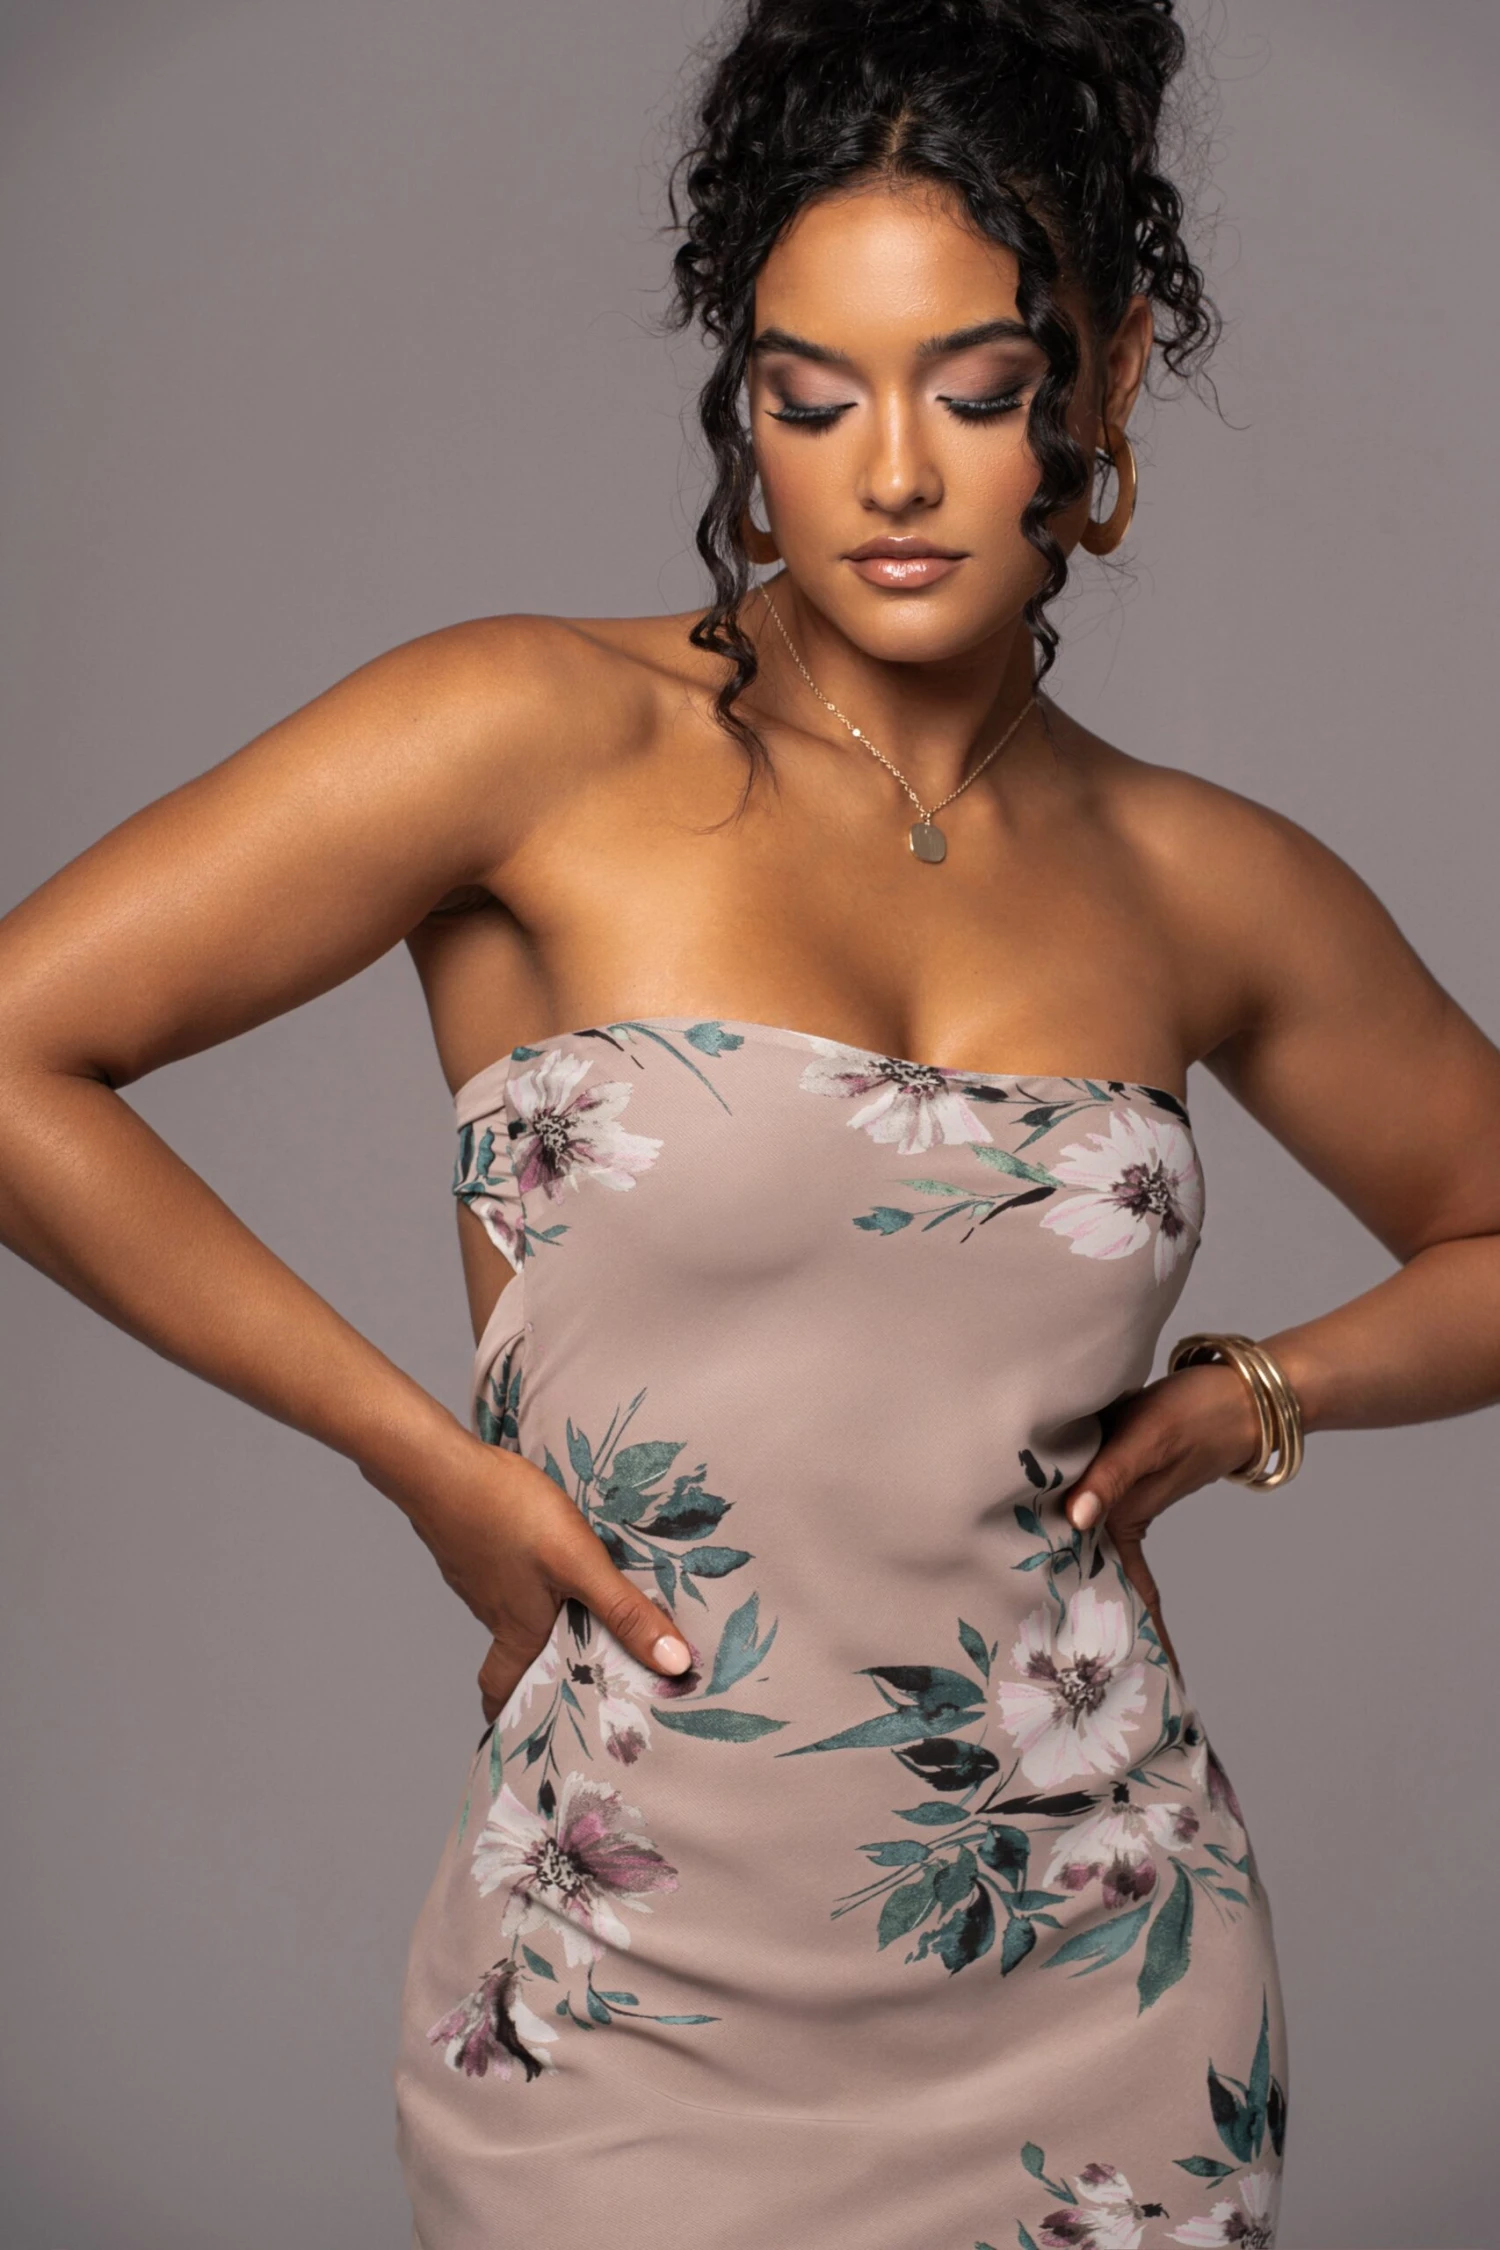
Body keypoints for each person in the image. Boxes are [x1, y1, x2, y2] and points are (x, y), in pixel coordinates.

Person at [1, 0, 1497, 2243]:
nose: (888, 473)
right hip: (623, 1999)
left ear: (1105, 384)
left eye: (973, 391)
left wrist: (1257, 1394)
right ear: (747, 411)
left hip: (1100, 1991)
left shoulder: (1205, 879)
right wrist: (426, 1463)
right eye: (811, 397)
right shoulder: (535, 734)